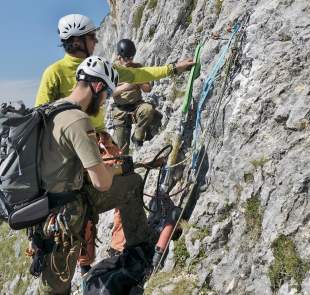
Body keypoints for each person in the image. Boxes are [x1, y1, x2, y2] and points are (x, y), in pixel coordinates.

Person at [37, 56, 158, 295]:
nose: (102, 104)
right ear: (98, 86)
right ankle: (138, 254)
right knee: (55, 288)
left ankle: (135, 250)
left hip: (44, 207)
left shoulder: (50, 110)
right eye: (104, 97)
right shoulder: (79, 121)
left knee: (131, 183)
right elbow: (101, 182)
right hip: (65, 213)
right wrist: (118, 168)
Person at [35, 14, 195, 132]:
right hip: (70, 143)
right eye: (92, 37)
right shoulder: (54, 73)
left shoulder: (98, 66)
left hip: (97, 136)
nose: (96, 41)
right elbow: (40, 118)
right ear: (77, 42)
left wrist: (173, 68)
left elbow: (138, 74)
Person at [112, 39, 161, 153]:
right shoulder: (113, 71)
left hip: (137, 106)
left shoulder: (137, 67)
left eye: (131, 58)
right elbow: (109, 93)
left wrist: (138, 80)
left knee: (149, 110)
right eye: (126, 59)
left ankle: (138, 137)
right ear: (119, 57)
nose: (129, 61)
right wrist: (125, 87)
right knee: (121, 151)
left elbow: (148, 89)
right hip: (120, 111)